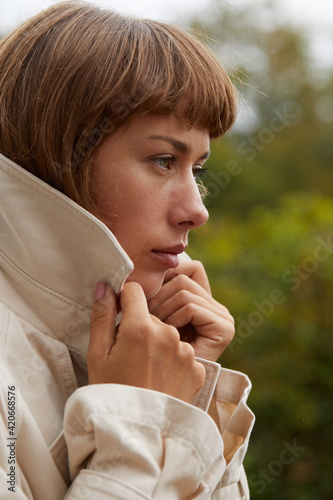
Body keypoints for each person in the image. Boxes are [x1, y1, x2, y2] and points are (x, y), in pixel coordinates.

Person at [0, 1, 255, 498]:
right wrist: (142, 418)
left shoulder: (159, 348)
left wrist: (190, 399)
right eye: (164, 160)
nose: (197, 210)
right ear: (60, 155)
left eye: (197, 170)